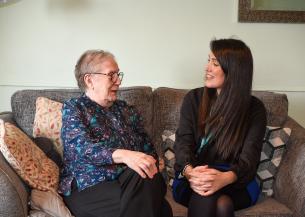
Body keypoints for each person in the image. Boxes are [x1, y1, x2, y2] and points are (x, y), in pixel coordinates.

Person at [59, 50, 173, 217]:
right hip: (88, 186)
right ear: (89, 80)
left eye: (118, 75)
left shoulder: (126, 110)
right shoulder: (74, 108)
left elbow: (147, 148)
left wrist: (153, 159)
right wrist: (124, 155)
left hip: (130, 181)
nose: (118, 81)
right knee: (162, 209)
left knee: (146, 177)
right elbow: (81, 148)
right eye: (111, 75)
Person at [174, 38, 267, 217]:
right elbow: (183, 144)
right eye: (208, 60)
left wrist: (224, 178)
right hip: (194, 177)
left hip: (236, 180)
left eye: (215, 63)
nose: (207, 68)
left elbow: (249, 159)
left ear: (234, 70)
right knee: (219, 202)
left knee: (217, 199)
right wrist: (190, 173)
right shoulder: (193, 99)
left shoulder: (254, 109)